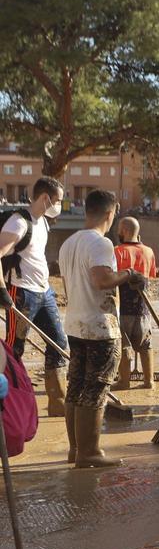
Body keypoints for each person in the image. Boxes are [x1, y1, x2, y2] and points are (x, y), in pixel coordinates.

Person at [58, 191, 146, 469]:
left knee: (76, 387)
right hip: (99, 327)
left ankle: (76, 450)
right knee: (95, 389)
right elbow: (102, 279)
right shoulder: (100, 243)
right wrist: (129, 275)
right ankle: (90, 452)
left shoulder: (69, 243)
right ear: (110, 214)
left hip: (75, 323)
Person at [0, 176, 69, 416]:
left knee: (59, 344)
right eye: (58, 200)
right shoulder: (18, 223)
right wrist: (1, 289)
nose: (60, 205)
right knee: (13, 350)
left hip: (45, 292)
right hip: (21, 294)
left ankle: (57, 403)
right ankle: (9, 406)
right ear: (45, 198)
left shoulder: (43, 223)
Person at [112, 216, 158, 390]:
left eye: (119, 230)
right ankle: (149, 381)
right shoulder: (148, 251)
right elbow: (151, 276)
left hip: (122, 307)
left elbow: (111, 278)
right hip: (143, 308)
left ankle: (124, 381)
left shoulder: (117, 251)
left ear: (124, 231)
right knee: (146, 344)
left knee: (124, 345)